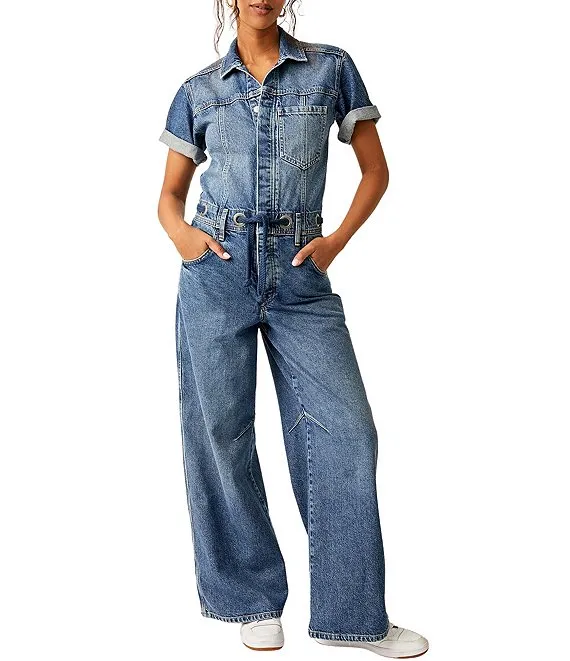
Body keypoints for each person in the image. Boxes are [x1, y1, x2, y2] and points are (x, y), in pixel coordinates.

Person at [157, 1, 428, 657]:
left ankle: (354, 615)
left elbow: (376, 170)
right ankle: (250, 598)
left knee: (348, 432)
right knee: (220, 434)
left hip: (301, 272)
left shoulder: (331, 69)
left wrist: (334, 242)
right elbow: (168, 196)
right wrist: (184, 238)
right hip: (216, 272)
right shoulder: (198, 90)